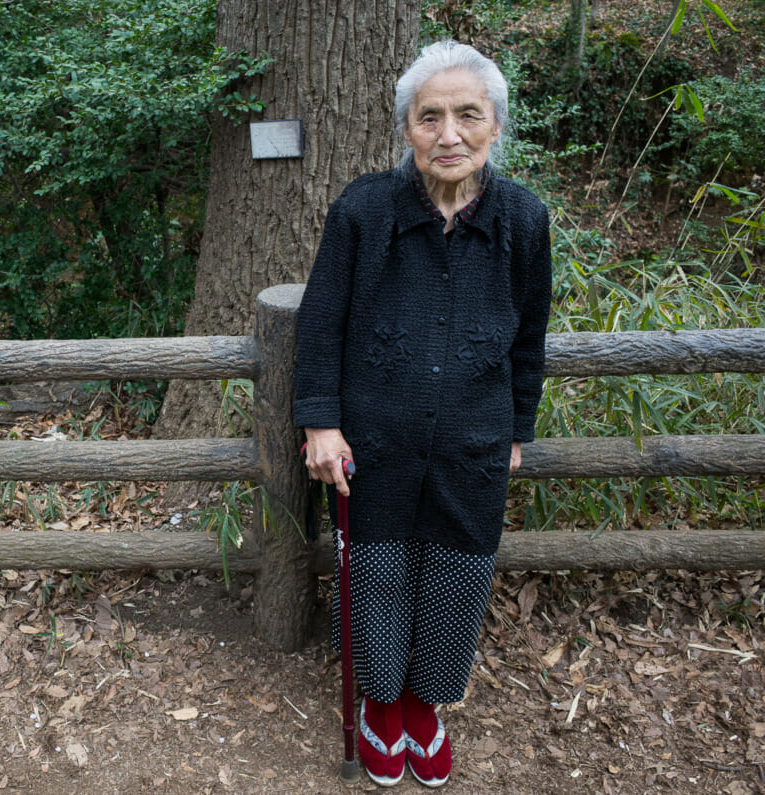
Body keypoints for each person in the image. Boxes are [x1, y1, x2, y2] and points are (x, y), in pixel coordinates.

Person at [294, 40, 552, 788]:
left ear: (494, 126)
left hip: (474, 438)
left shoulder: (524, 220)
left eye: (467, 115)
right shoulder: (363, 211)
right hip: (370, 439)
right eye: (429, 116)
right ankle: (381, 705)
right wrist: (320, 422)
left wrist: (517, 429)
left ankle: (426, 705)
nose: (449, 134)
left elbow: (529, 338)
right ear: (406, 128)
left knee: (457, 574)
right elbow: (321, 325)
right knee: (375, 571)